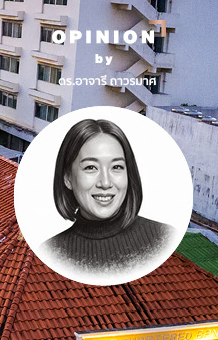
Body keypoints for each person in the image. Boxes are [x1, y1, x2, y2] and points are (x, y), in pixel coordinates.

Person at [38, 118, 176, 282]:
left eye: (116, 167)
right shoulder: (49, 252)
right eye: (90, 167)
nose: (105, 182)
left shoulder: (164, 238)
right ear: (67, 178)